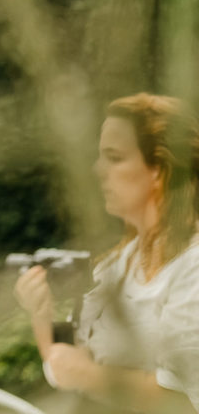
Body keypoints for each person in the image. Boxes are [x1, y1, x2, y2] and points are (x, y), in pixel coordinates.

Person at [15, 93, 199, 412]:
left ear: (160, 169)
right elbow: (64, 366)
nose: (98, 170)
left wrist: (88, 375)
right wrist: (42, 314)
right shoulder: (116, 267)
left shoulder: (192, 267)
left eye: (114, 157)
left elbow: (184, 401)